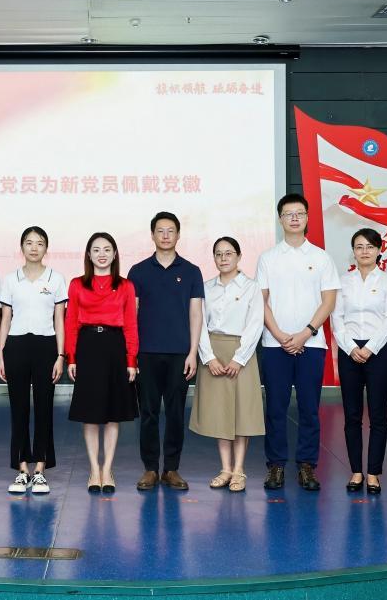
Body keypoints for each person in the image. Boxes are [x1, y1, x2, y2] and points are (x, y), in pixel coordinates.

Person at [257, 193, 339, 491]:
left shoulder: (321, 257)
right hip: (274, 344)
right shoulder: (268, 258)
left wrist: (306, 332)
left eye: (299, 213)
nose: (294, 218)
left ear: (307, 218)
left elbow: (328, 301)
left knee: (309, 408)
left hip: (311, 345)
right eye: (288, 214)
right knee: (275, 409)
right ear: (280, 219)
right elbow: (261, 301)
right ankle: (276, 465)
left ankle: (307, 465)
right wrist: (280, 335)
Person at [127, 212, 204, 491]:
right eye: (160, 230)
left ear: (178, 235)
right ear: (152, 235)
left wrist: (193, 352)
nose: (166, 235)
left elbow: (196, 314)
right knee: (148, 413)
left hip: (179, 354)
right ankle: (150, 468)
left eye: (171, 230)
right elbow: (131, 315)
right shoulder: (138, 271)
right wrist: (132, 355)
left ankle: (171, 468)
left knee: (175, 412)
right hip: (146, 354)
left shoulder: (191, 271)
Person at [190, 237, 265, 493]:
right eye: (219, 254)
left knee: (242, 412)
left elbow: (255, 324)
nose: (223, 258)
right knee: (219, 412)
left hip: (242, 352)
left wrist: (239, 358)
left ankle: (239, 470)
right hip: (213, 350)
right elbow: (199, 322)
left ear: (239, 256)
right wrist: (208, 357)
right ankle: (225, 469)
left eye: (229, 253)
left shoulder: (251, 287)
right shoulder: (206, 287)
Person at [66, 232, 139, 494]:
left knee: (112, 414)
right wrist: (71, 356)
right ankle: (94, 470)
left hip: (115, 347)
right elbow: (71, 322)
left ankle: (107, 469)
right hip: (87, 347)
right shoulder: (77, 284)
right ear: (88, 254)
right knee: (90, 413)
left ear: (115, 254)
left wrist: (131, 359)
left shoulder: (126, 286)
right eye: (96, 249)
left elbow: (130, 324)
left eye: (107, 249)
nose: (102, 254)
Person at [330, 229, 387, 495]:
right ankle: (356, 471)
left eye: (370, 246)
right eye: (359, 247)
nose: (364, 251)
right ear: (353, 252)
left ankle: (373, 473)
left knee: (378, 415)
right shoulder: (343, 282)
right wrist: (350, 347)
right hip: (349, 351)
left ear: (379, 250)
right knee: (352, 415)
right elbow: (336, 318)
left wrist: (370, 348)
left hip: (378, 351)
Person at [0, 226, 67, 495]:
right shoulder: (10, 279)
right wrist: (1, 353)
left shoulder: (56, 279)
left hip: (46, 346)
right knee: (18, 409)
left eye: (39, 243)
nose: (34, 248)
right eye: (29, 243)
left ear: (46, 248)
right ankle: (22, 469)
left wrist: (60, 356)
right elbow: (5, 318)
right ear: (22, 247)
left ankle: (39, 469)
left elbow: (59, 319)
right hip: (16, 345)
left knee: (44, 407)